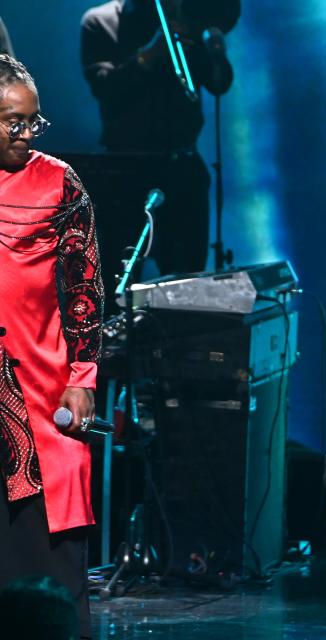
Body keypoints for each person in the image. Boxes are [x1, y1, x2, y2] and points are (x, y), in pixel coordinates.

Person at [0, 55, 103, 639]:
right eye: (12, 122)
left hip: (39, 391)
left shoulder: (58, 182)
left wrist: (82, 375)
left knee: (48, 551)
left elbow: (84, 286)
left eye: (32, 123)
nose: (25, 135)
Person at [80, 0, 239, 279]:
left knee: (187, 286)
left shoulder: (184, 14)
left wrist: (210, 46)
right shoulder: (100, 21)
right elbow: (105, 89)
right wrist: (149, 56)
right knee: (118, 281)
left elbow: (219, 83)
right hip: (124, 174)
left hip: (183, 169)